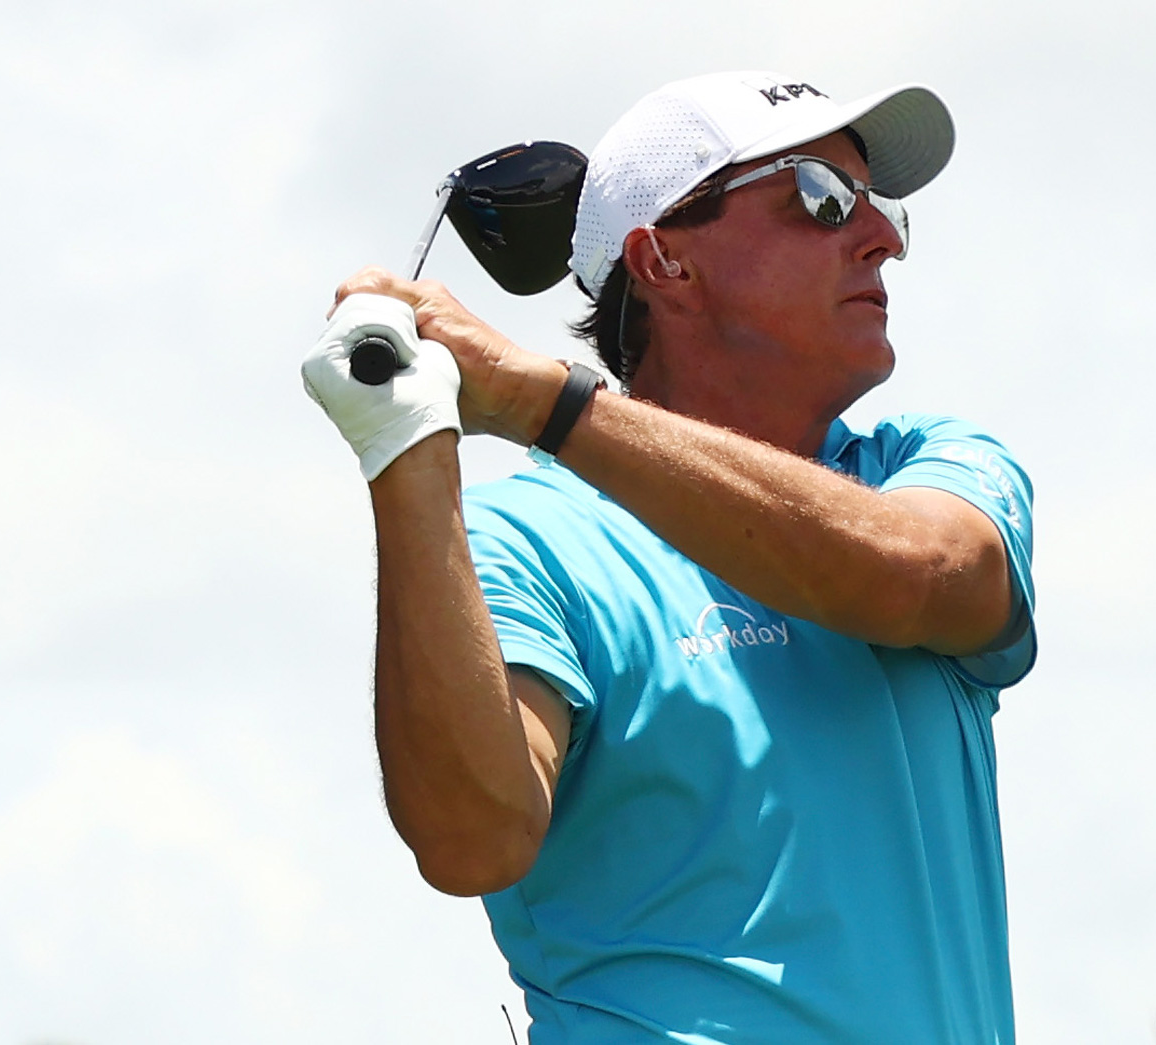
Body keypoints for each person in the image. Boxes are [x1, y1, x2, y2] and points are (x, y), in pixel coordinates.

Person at [302, 70, 1037, 1044]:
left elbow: (919, 579)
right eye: (821, 195)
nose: (882, 237)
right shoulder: (529, 540)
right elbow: (473, 837)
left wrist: (541, 401)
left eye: (880, 205)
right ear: (664, 263)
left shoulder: (926, 467)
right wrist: (407, 448)